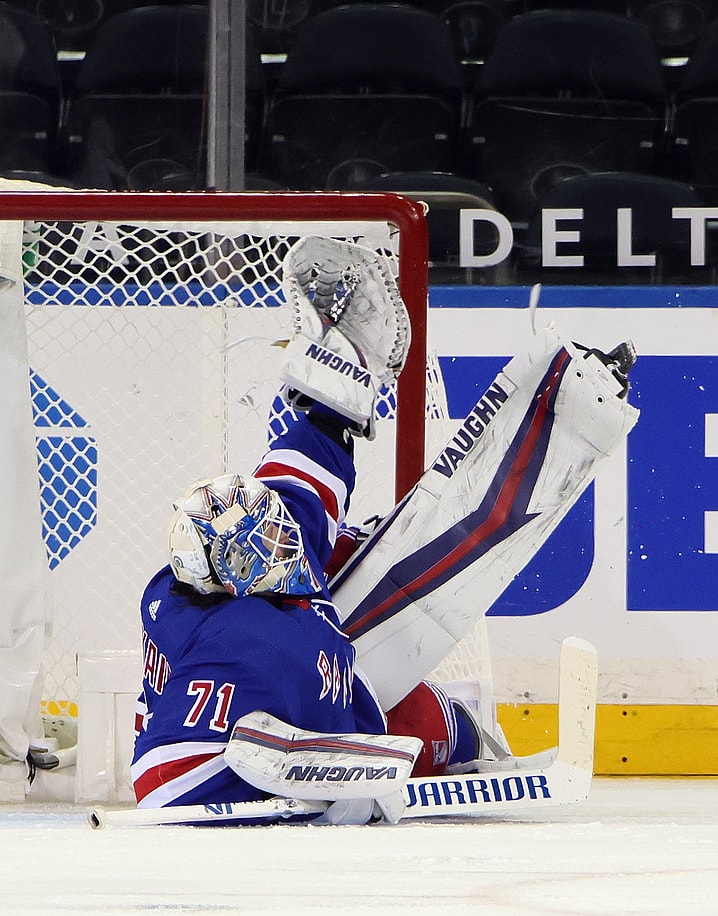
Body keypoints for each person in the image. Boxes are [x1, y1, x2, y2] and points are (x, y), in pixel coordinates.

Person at [130, 238, 483, 820]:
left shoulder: (231, 573)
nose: (283, 545)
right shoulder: (253, 637)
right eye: (268, 543)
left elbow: (292, 500)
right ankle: (458, 735)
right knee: (436, 725)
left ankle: (339, 373)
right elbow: (162, 789)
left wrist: (333, 402)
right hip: (197, 771)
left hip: (275, 699)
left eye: (274, 534)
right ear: (235, 578)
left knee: (298, 503)